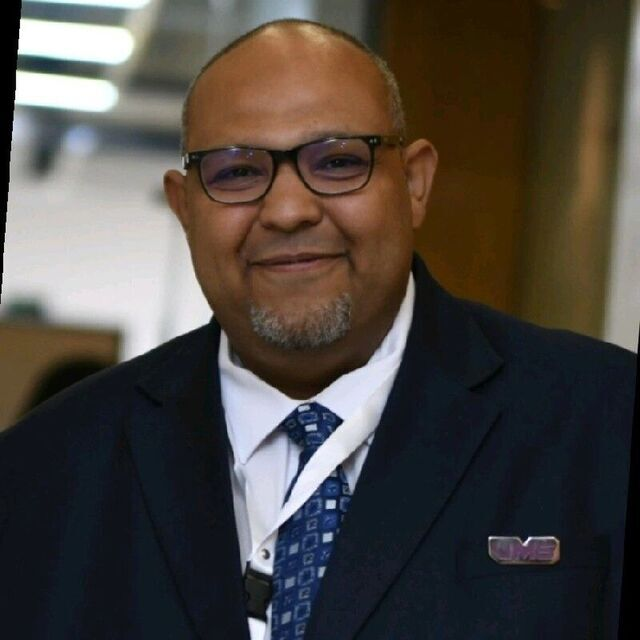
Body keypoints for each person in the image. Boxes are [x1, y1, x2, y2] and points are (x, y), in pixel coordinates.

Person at [0, 18, 636, 640]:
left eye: (337, 162)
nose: (287, 210)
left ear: (415, 183)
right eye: (237, 172)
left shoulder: (605, 424)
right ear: (185, 207)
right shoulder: (43, 474)